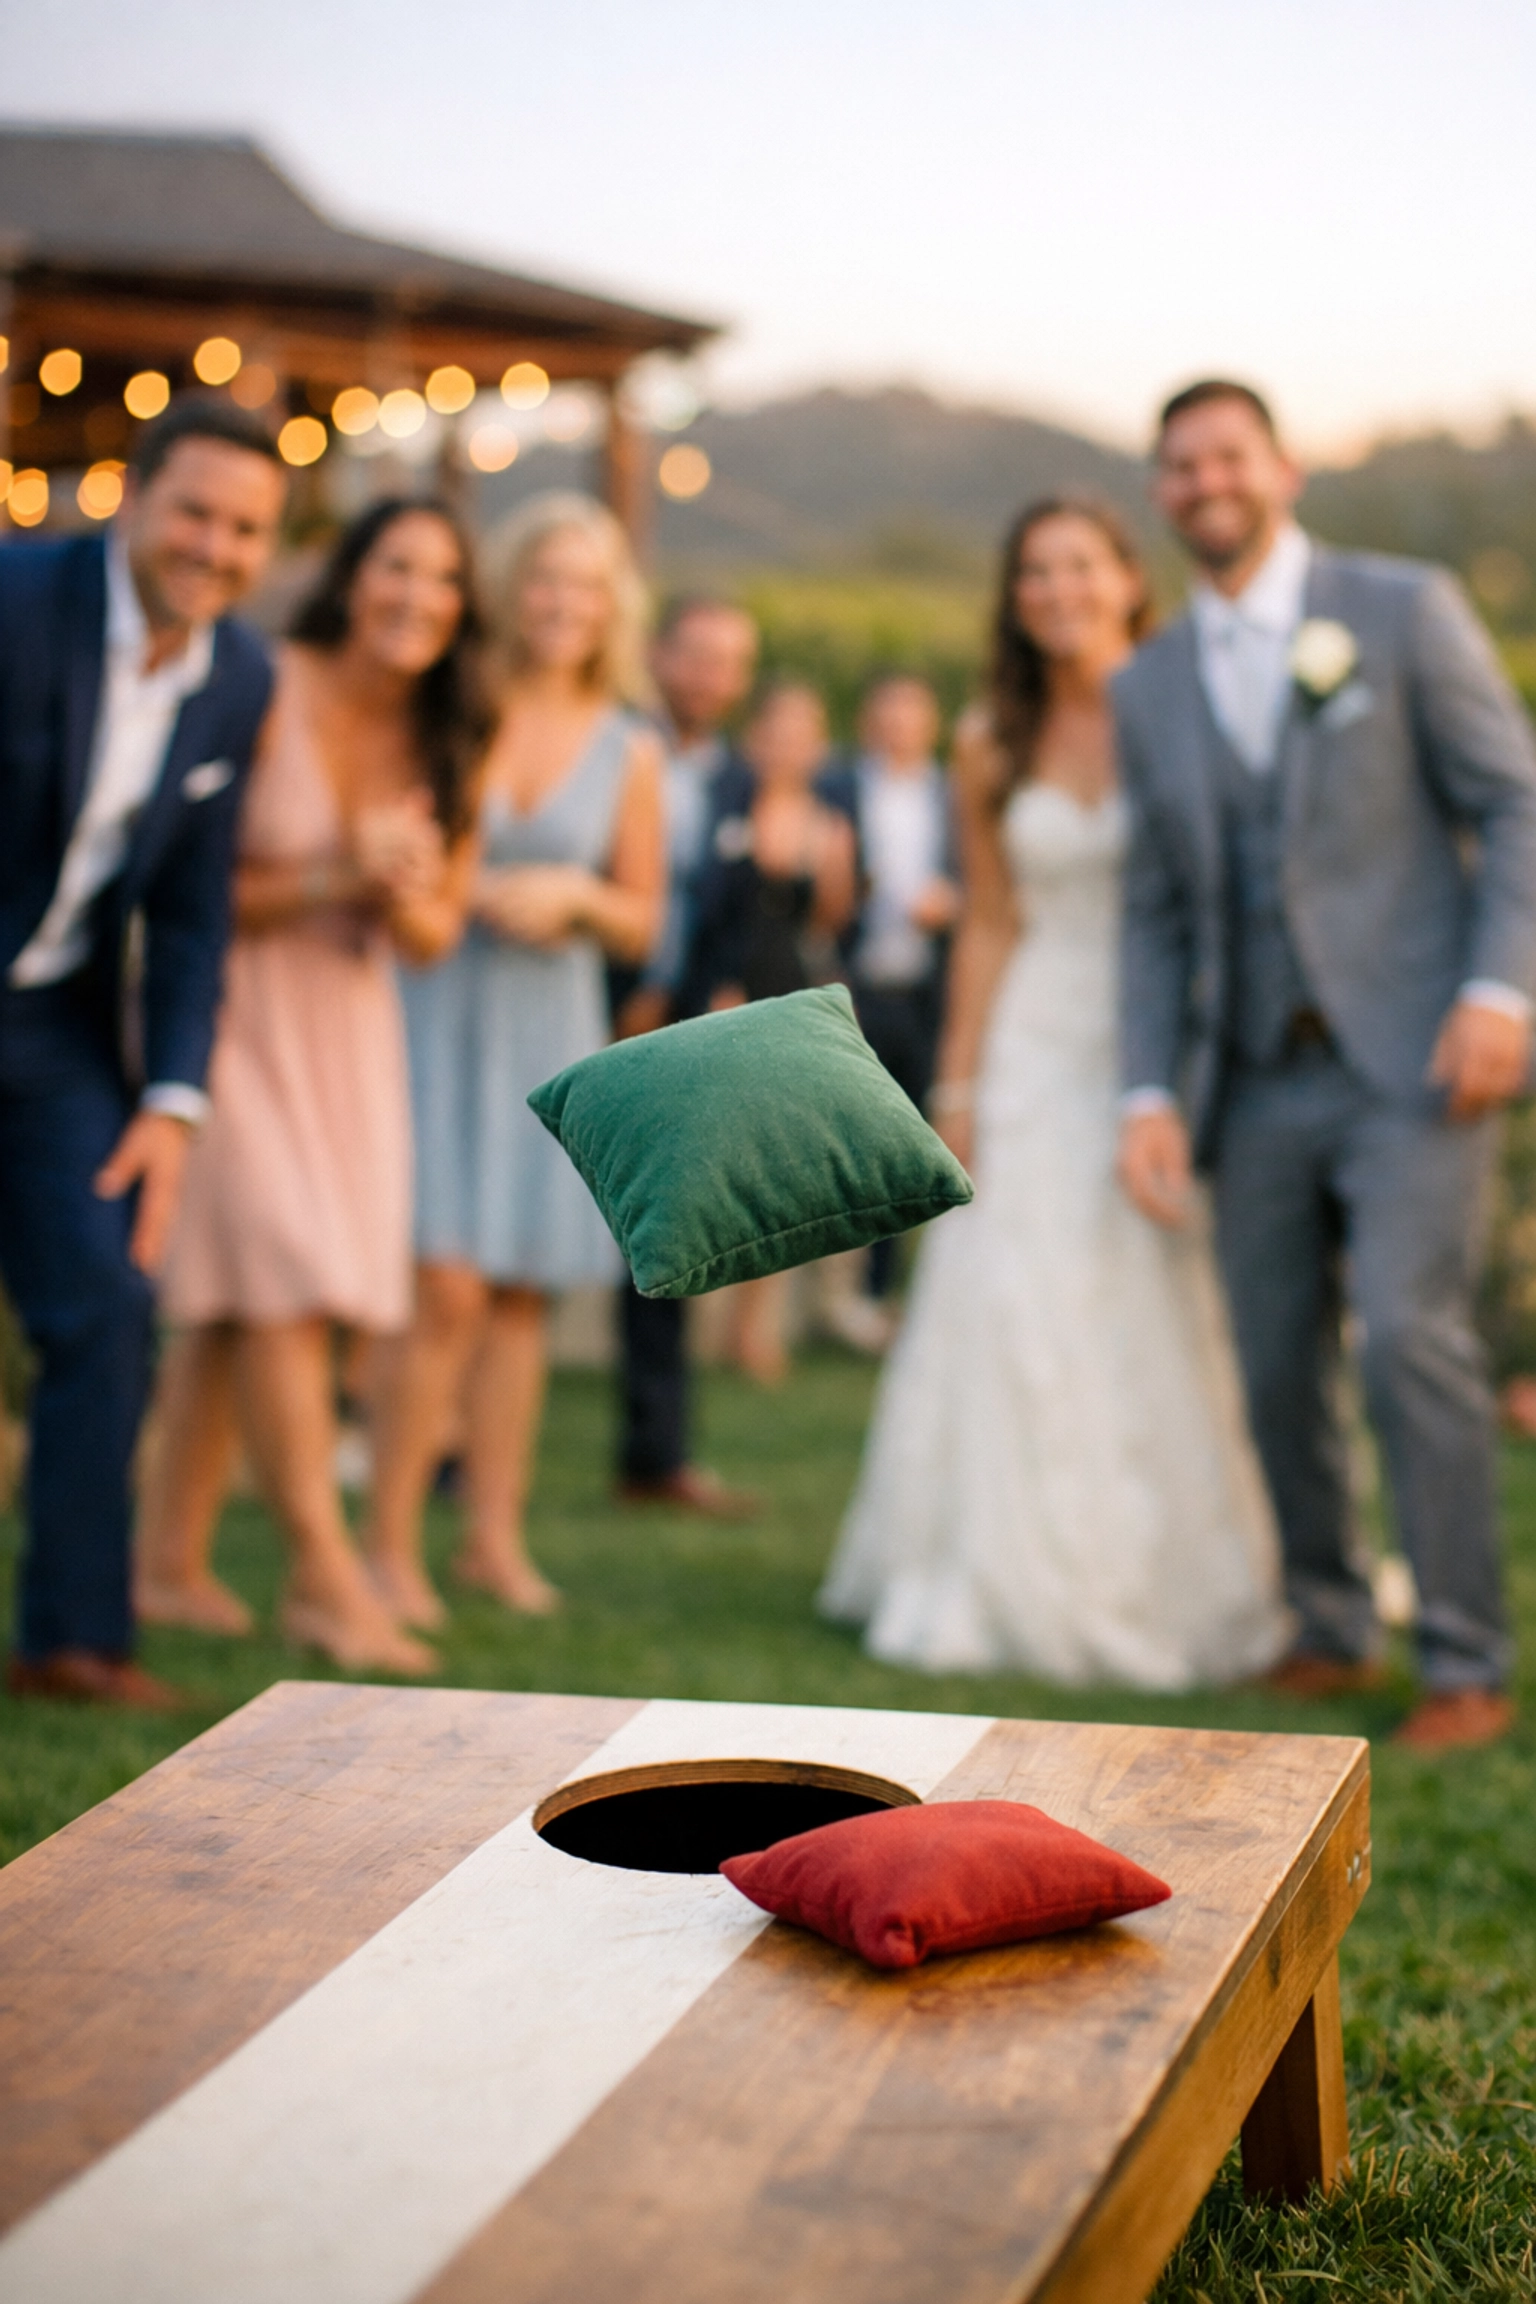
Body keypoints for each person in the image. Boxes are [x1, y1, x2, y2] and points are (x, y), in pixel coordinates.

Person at [1116, 380, 1536, 1751]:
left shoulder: (1402, 609)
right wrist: (1147, 1089)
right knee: (1274, 1361)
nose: (1206, 483)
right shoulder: (1147, 680)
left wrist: (1498, 990)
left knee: (1410, 1338)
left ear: (1283, 469)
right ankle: (1332, 1623)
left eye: (1227, 456)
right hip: (1249, 1076)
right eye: (1180, 466)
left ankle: (1464, 1659)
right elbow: (1154, 909)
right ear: (1161, 491)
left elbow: (1514, 802)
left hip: (1414, 1058)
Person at [820, 500, 1288, 1688]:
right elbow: (988, 921)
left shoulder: (1188, 708)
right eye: (1034, 571)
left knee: (1160, 1287)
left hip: (1156, 1041)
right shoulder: (991, 738)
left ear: (1129, 579)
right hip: (1033, 1035)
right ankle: (996, 1564)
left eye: (1079, 565)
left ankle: (1176, 1568)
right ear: (1013, 597)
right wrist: (958, 1083)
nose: (1057, 589)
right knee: (1015, 1286)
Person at [136, 499, 487, 1675]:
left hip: (346, 1021)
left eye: (443, 580)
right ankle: (325, 1581)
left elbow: (436, 935)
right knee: (283, 1275)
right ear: (351, 575)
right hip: (226, 1009)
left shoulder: (449, 731)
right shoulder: (260, 683)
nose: (418, 598)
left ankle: (166, 1563)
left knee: (240, 1300)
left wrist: (404, 886)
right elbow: (183, 887)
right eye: (397, 568)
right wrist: (336, 872)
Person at [0, 396, 284, 1710]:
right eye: (195, 513)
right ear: (132, 496)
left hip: (55, 1027)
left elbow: (191, 910)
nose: (214, 549)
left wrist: (173, 1100)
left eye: (245, 530)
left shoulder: (239, 676)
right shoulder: (17, 599)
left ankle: (72, 1639)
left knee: (110, 1301)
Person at [365, 493, 665, 1620]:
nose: (562, 603)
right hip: (437, 1008)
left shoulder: (631, 747)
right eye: (545, 577)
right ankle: (388, 1546)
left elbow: (644, 920)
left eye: (585, 585)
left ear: (611, 607)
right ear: (508, 587)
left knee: (520, 1297)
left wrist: (577, 894)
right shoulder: (457, 706)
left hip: (550, 1027)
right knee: (442, 1286)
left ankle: (492, 1540)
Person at [611, 595, 762, 1514]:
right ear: (658, 653)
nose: (710, 676)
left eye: (729, 661)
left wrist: (710, 1001)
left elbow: (729, 911)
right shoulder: (609, 742)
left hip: (676, 1030)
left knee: (664, 1240)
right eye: (697, 653)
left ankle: (655, 1455)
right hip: (585, 1005)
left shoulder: (736, 777)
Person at [686, 679, 857, 1385]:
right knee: (715, 1161)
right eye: (775, 732)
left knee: (777, 1167)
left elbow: (829, 924)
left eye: (801, 735)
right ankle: (696, 1314)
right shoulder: (721, 808)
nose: (787, 747)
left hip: (789, 995)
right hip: (722, 995)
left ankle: (751, 1327)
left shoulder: (833, 826)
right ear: (754, 738)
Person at [818, 673, 959, 1348]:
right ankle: (838, 1297)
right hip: (856, 986)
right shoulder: (838, 787)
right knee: (850, 1140)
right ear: (868, 721)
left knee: (907, 1147)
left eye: (912, 714)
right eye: (888, 714)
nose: (899, 726)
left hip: (927, 994)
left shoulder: (952, 795)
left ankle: (881, 1292)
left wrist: (951, 902)